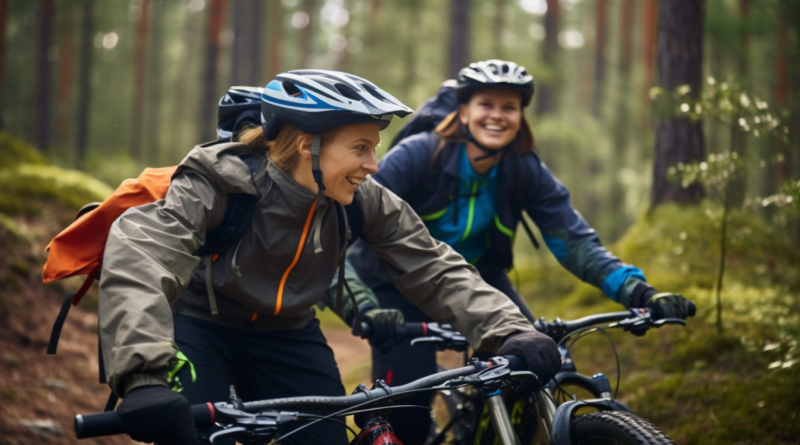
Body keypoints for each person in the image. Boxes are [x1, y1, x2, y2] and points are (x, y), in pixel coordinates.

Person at [98, 69, 562, 445]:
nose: (374, 165)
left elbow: (434, 267)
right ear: (307, 145)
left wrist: (510, 330)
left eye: (375, 148)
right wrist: (143, 378)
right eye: (360, 148)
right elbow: (142, 258)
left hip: (289, 333)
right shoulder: (219, 184)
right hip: (201, 323)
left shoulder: (364, 198)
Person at [348, 59, 692, 445]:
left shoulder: (523, 168)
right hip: (396, 285)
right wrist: (362, 303)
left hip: (480, 283)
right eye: (486, 105)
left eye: (509, 107)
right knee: (408, 412)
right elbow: (351, 217)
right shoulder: (417, 154)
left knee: (539, 366)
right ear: (463, 112)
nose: (497, 116)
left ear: (520, 117)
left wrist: (640, 293)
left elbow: (575, 242)